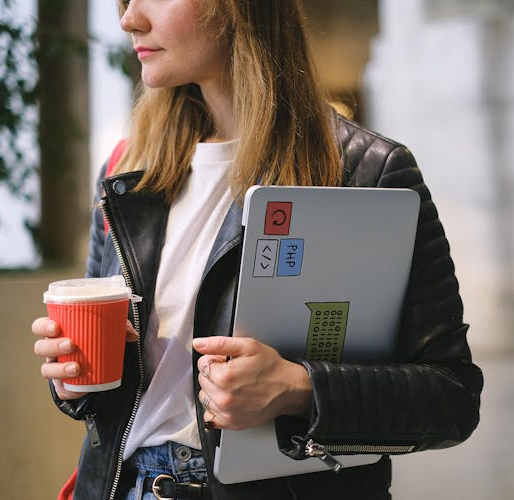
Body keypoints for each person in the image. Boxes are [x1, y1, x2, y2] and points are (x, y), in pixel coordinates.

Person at [31, 0, 484, 498]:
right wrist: (76, 378)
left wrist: (299, 388)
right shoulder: (127, 170)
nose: (129, 19)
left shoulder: (367, 173)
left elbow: (451, 396)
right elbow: (118, 397)